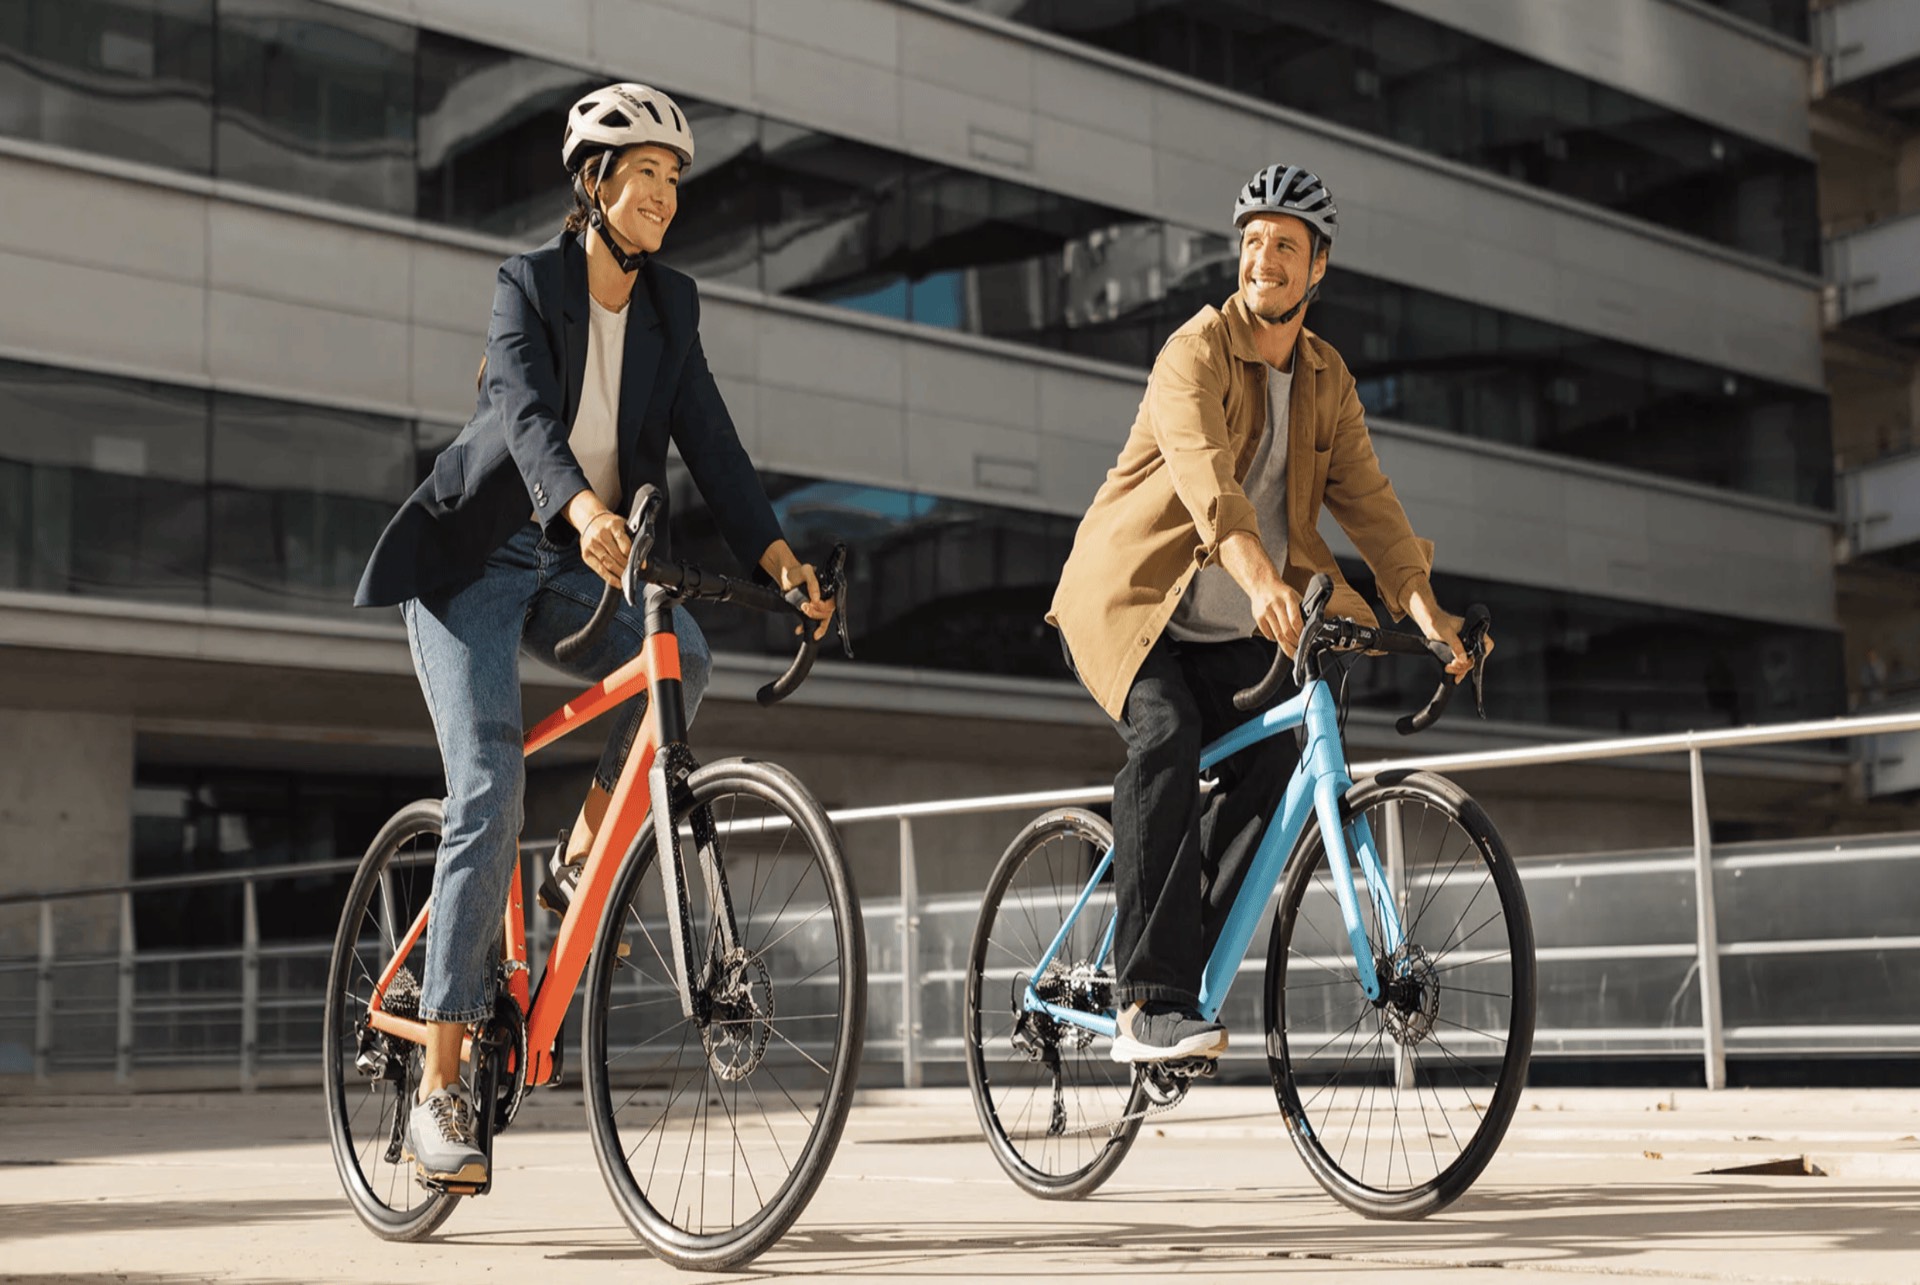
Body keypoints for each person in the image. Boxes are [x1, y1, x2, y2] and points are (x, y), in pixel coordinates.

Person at [354, 83, 835, 1185]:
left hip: (580, 565)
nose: (664, 196)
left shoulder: (674, 307)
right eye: (644, 176)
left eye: (674, 179)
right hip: (475, 564)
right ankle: (438, 1089)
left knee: (687, 663)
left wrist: (777, 557)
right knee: (488, 783)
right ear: (594, 185)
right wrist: (583, 510)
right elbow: (523, 417)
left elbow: (713, 444)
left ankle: (577, 876)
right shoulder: (528, 284)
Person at [1047, 164, 1488, 1064]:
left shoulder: (1327, 379)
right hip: (1136, 603)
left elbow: (1374, 510)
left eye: (1286, 245)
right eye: (1253, 241)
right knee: (1164, 733)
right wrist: (1259, 581)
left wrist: (1428, 612)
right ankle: (1148, 999)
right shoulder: (1195, 352)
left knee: (1296, 739)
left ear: (1318, 266)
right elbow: (1210, 487)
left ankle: (1183, 950)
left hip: (1234, 626)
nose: (1265, 258)